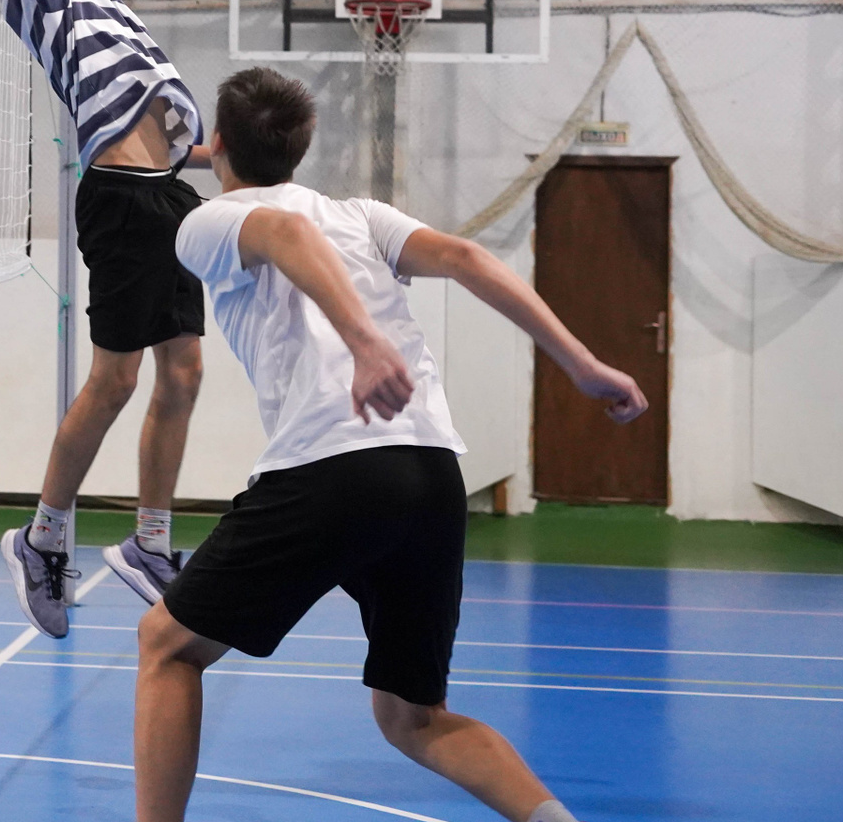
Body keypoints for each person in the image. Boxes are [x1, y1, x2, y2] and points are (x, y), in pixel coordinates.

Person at [135, 67, 648, 822]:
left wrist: (365, 343)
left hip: (330, 467)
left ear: (221, 145)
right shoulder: (361, 215)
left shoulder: (209, 221)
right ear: (301, 149)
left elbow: (283, 233)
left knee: (167, 645)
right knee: (413, 717)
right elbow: (467, 259)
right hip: (430, 472)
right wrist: (583, 365)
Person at [0, 0, 211, 637]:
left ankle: (150, 542)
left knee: (184, 372)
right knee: (115, 381)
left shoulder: (101, 0)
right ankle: (41, 537)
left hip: (167, 192)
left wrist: (218, 151)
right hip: (120, 198)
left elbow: (160, 114)